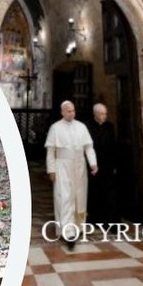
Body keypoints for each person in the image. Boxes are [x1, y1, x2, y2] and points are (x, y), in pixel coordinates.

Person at [45, 101, 97, 248]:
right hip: (62, 166)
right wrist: (51, 170)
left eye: (73, 111)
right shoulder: (55, 128)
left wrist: (93, 163)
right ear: (62, 112)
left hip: (79, 166)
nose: (71, 113)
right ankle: (67, 231)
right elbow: (51, 152)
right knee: (64, 197)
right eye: (68, 111)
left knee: (79, 197)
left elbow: (89, 148)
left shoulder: (81, 127)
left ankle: (78, 226)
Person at [87, 103, 118, 225]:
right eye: (102, 114)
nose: (104, 116)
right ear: (95, 114)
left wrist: (114, 164)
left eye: (105, 114)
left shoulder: (109, 126)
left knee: (109, 193)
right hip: (93, 164)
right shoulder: (87, 126)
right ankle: (94, 218)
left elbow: (112, 145)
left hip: (107, 164)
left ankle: (109, 220)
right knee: (94, 192)